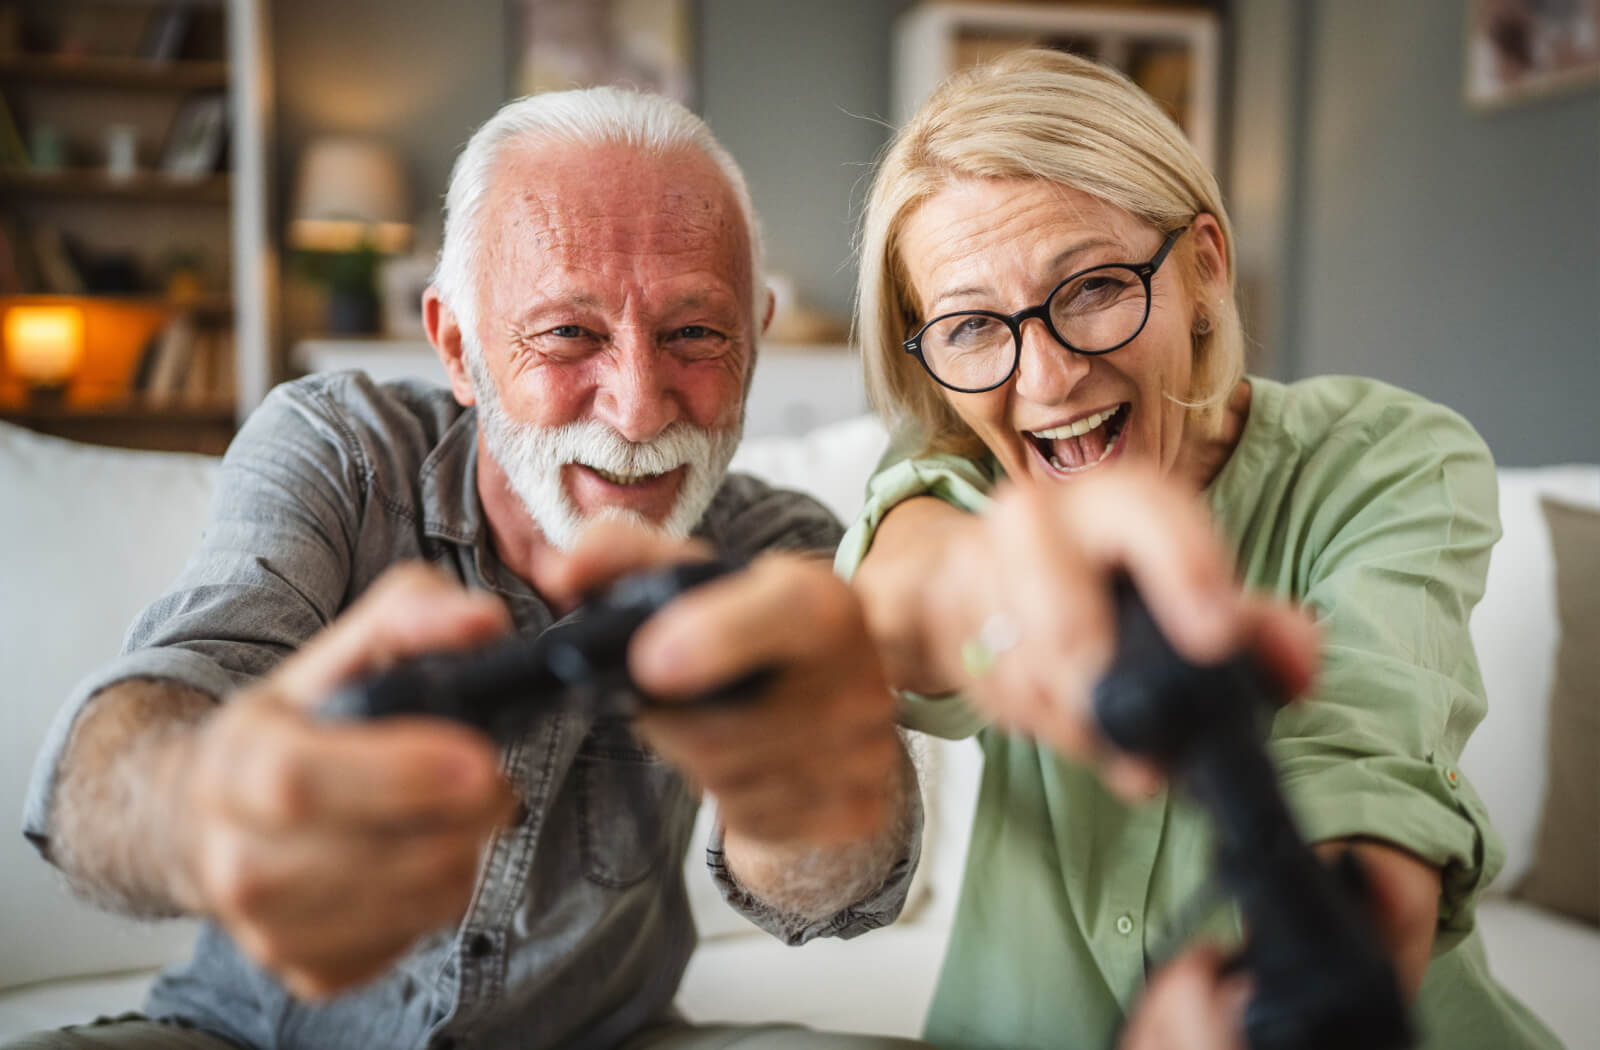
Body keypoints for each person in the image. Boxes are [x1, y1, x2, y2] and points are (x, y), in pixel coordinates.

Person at [12, 87, 932, 1050]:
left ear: (754, 340)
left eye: (695, 335)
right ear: (458, 345)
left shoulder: (778, 549)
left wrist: (814, 796)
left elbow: (848, 874)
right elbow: (135, 733)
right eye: (569, 333)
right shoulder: (339, 451)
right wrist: (202, 801)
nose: (637, 411)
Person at [839, 49, 1562, 1050]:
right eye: (970, 327)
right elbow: (902, 609)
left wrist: (1303, 969)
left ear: (1203, 265)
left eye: (1091, 286)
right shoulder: (950, 476)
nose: (1045, 377)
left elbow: (1364, 753)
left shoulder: (1388, 458)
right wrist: (999, 617)